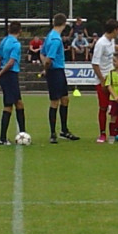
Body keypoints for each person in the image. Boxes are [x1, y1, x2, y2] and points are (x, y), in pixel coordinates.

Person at [42, 14, 79, 143]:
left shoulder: (49, 36)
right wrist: (46, 68)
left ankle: (64, 130)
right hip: (55, 71)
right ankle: (53, 133)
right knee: (55, 101)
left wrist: (44, 64)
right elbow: (49, 58)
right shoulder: (56, 39)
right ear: (64, 24)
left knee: (65, 99)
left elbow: (42, 53)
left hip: (59, 71)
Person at [0, 22, 25, 145]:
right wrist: (0, 73)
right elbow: (11, 62)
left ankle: (22, 133)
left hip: (5, 75)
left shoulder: (4, 40)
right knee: (9, 105)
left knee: (19, 103)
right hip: (10, 75)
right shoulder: (16, 44)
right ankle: (2, 138)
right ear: (20, 31)